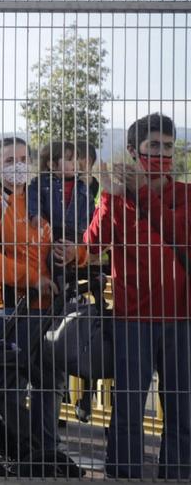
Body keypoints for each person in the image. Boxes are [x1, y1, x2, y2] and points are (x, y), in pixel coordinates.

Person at [84, 113, 190, 479]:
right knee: (129, 407)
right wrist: (110, 196)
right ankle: (122, 474)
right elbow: (94, 245)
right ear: (133, 151)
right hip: (133, 318)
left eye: (168, 147)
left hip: (181, 318)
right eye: (153, 146)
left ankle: (176, 474)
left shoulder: (184, 195)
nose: (162, 154)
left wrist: (142, 190)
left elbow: (177, 232)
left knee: (182, 406)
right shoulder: (117, 194)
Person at [0, 136, 77, 459]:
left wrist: (74, 254)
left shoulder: (40, 198)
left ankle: (45, 447)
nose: (18, 164)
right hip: (4, 308)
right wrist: (32, 279)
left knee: (50, 379)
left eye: (23, 157)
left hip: (44, 309)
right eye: (9, 159)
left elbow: (69, 237)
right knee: (9, 382)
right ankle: (9, 449)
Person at [27, 141, 95, 246]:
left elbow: (90, 208)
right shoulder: (40, 183)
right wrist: (36, 214)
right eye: (69, 159)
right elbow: (33, 199)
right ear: (52, 165)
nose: (74, 163)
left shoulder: (82, 184)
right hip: (50, 232)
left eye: (76, 159)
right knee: (54, 258)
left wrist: (89, 228)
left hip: (77, 234)